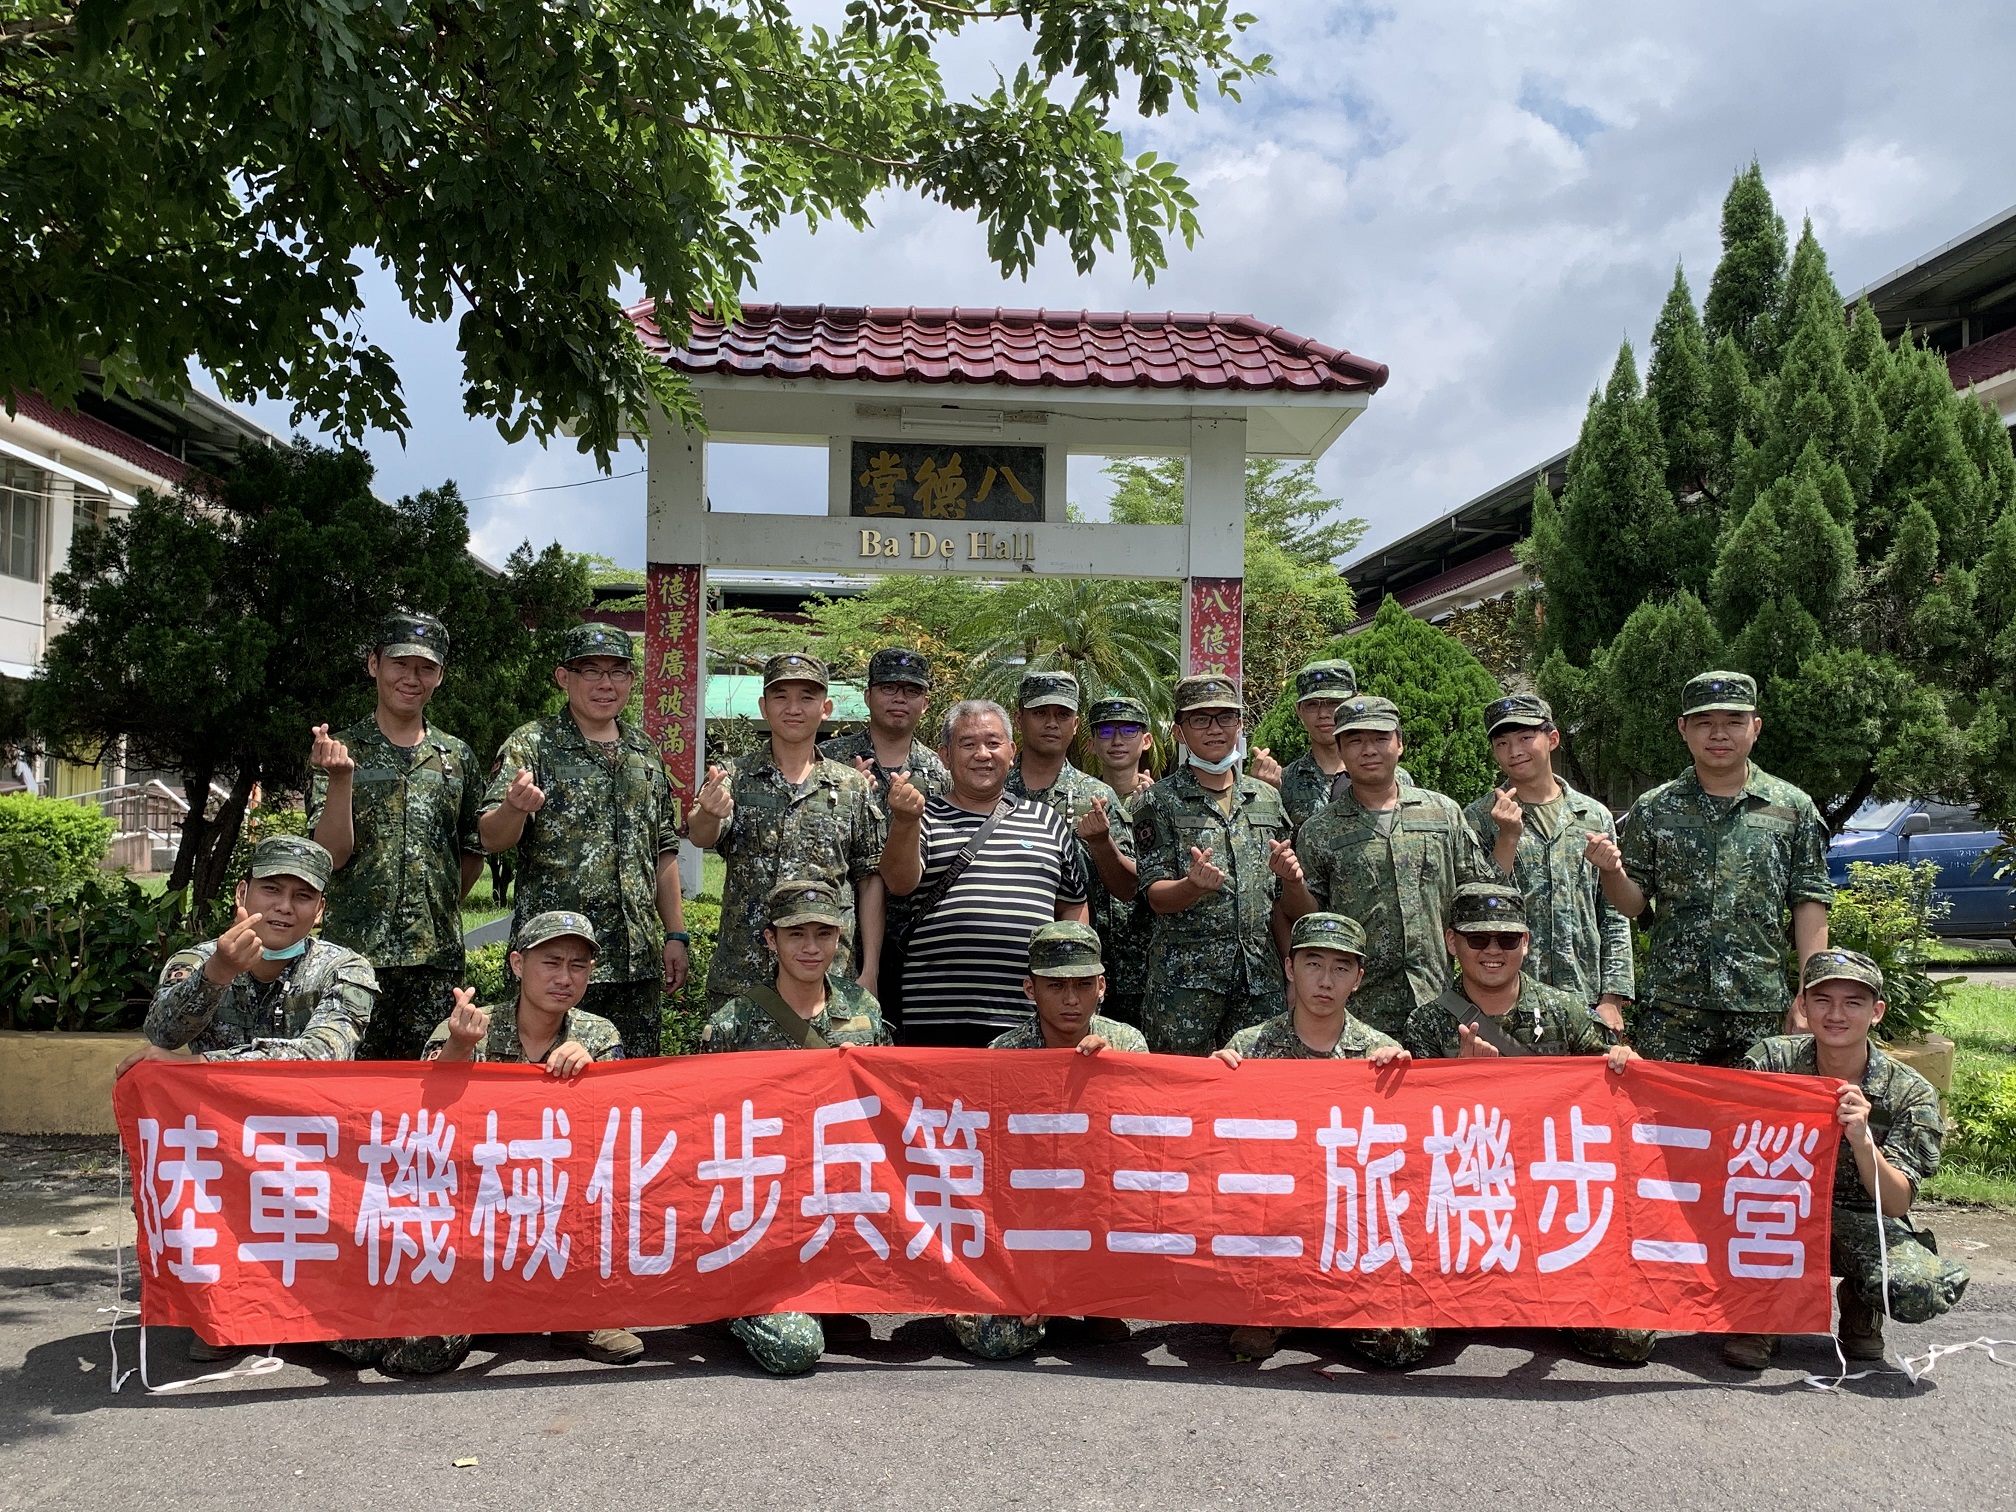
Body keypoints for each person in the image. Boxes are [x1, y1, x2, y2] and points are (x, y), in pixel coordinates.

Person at [115, 835, 378, 1364]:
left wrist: (199, 1070)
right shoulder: (195, 960)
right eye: (271, 890)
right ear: (243, 893)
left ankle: (305, 1301)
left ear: (320, 910)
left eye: (302, 896)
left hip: (315, 1152)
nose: (284, 907)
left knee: (363, 1343)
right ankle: (222, 1302)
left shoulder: (345, 969)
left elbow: (323, 1056)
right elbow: (161, 1034)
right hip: (222, 1156)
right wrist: (218, 973)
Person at [1400, 883, 1654, 1365]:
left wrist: (1624, 1062)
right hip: (1466, 1215)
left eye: (1506, 939)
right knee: (1398, 1345)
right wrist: (1459, 1083)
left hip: (1551, 1214)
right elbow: (1415, 1148)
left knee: (1630, 1341)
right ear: (1453, 942)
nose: (1492, 951)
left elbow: (1621, 1106)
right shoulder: (1428, 1024)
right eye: (1478, 940)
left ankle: (1546, 1294)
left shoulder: (1565, 1012)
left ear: (1526, 942)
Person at [371, 910, 632, 1373]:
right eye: (551, 962)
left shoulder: (598, 1034)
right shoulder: (470, 1025)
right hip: (475, 1213)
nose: (565, 978)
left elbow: (616, 1136)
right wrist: (458, 1049)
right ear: (517, 964)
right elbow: (419, 1118)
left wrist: (596, 1075)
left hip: (558, 1213)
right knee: (423, 1354)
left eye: (579, 966)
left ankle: (576, 1310)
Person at [1723, 949, 1970, 1370]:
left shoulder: (1910, 1094)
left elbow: (1894, 1205)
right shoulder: (1771, 1063)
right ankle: (1758, 1314)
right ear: (1803, 1005)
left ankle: (1861, 1299)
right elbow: (1711, 1131)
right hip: (1772, 1214)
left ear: (1876, 1012)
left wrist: (1862, 1141)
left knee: (1916, 1287)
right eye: (1822, 1000)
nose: (1836, 1014)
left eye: (1852, 1003)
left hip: (1856, 1217)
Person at [1210, 912, 1429, 1369]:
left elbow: (1411, 1167)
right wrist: (1212, 1085)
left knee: (1399, 1344)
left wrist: (1405, 1088)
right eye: (1312, 964)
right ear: (1290, 968)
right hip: (1275, 1231)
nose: (1325, 980)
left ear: (1358, 978)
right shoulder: (1250, 1049)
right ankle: (1283, 1309)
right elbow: (1216, 1155)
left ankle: (1325, 1306)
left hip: (1352, 1235)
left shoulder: (1380, 1054)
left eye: (1341, 968)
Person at [1585, 670, 1832, 1067]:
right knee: (1668, 1124)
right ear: (1683, 729)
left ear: (1756, 727)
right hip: (1673, 1009)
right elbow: (1632, 906)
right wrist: (1612, 872)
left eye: (1734, 721)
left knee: (1754, 1122)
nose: (1719, 734)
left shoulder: (1792, 808)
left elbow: (1810, 905)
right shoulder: (1655, 808)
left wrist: (1809, 998)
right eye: (1705, 723)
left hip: (1759, 1006)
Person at [700, 879, 891, 1375]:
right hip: (759, 1208)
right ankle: (736, 1304)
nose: (811, 948)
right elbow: (703, 1133)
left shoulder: (864, 1014)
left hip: (835, 1197)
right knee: (795, 1351)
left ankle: (833, 1291)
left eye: (823, 934)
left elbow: (885, 1112)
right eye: (795, 934)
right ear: (771, 940)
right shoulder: (732, 1025)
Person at [477, 622, 689, 1061]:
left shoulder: (644, 751)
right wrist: (514, 808)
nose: (605, 684)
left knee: (629, 1089)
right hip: (556, 964)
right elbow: (491, 839)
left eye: (617, 672)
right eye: (590, 671)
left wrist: (676, 934)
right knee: (542, 1090)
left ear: (631, 680)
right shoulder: (531, 744)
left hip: (635, 962)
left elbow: (663, 849)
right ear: (563, 678)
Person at [953, 921, 1145, 1362]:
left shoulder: (1127, 1046)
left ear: (1102, 987)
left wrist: (1108, 1073)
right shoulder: (1004, 1056)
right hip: (1028, 1220)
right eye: (1055, 986)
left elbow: (1144, 1154)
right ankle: (1050, 1298)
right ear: (1029, 989)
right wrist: (1029, 1271)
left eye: (1082, 984)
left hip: (1100, 1212)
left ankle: (1099, 1296)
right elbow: (986, 1175)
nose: (1071, 999)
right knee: (994, 1339)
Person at [307, 610, 484, 1060]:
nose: (412, 677)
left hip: (435, 962)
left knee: (428, 1094)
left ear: (440, 675)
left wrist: (431, 909)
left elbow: (470, 852)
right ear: (374, 665)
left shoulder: (456, 757)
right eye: (400, 663)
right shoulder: (339, 752)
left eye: (426, 667)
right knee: (353, 1095)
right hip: (353, 958)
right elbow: (329, 855)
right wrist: (341, 778)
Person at [1276, 694, 1493, 1038]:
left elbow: (1476, 896)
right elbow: (1309, 915)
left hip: (1439, 998)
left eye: (1380, 738)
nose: (1369, 750)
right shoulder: (1320, 830)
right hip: (1360, 1009)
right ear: (1342, 751)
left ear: (1400, 744)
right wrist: (1292, 882)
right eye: (1355, 740)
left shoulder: (1443, 814)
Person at [879, 699, 1088, 1046]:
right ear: (945, 756)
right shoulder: (923, 817)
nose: (982, 754)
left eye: (993, 743)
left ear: (1011, 750)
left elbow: (1073, 905)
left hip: (1031, 1020)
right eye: (968, 744)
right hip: (936, 1013)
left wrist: (1074, 977)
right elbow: (899, 884)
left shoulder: (1047, 820)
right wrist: (904, 821)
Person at [687, 651, 885, 1011]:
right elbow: (703, 835)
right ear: (764, 706)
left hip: (828, 975)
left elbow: (869, 879)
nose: (793, 708)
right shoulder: (735, 775)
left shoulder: (852, 786)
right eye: (781, 696)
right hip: (745, 973)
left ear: (825, 708)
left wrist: (869, 968)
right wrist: (710, 813)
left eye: (806, 697)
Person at [1130, 673, 1293, 1055]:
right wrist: (1193, 886)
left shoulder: (1267, 798)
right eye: (1200, 719)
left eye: (1225, 717)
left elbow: (1282, 900)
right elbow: (1154, 896)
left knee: (1257, 1098)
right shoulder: (1157, 802)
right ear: (1180, 732)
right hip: (1184, 986)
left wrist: (1292, 973)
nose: (1215, 729)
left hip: (1260, 982)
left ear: (1239, 724)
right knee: (1178, 1097)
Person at [1463, 694, 1633, 1035]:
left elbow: (1612, 911)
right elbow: (1477, 909)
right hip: (1508, 1002)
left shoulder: (1593, 815)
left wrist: (1612, 998)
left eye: (1526, 738)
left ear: (1552, 739)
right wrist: (1507, 837)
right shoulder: (1480, 818)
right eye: (1503, 743)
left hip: (1584, 996)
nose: (1515, 752)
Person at [1006, 671, 1138, 1010]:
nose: (1052, 723)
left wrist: (1101, 843)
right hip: (1007, 962)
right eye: (1040, 713)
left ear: (1076, 725)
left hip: (1084, 969)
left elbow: (1127, 888)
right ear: (1019, 719)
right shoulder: (995, 791)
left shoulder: (1097, 795)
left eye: (1062, 715)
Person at [1084, 694, 1156, 1024]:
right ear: (1091, 743)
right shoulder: (1078, 801)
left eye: (1128, 730)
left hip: (1149, 968)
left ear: (1146, 741)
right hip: (1089, 962)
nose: (1116, 741)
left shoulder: (1166, 802)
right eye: (1105, 732)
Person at [819, 647, 952, 801]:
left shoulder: (942, 770)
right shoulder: (827, 758)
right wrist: (842, 796)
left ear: (924, 704)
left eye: (912, 691)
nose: (900, 699)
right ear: (868, 697)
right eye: (888, 688)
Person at [1250, 658, 1358, 837]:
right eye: (1312, 705)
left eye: (1333, 702)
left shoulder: (1386, 777)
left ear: (1355, 702)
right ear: (1299, 710)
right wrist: (1265, 796)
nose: (1323, 714)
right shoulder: (1284, 782)